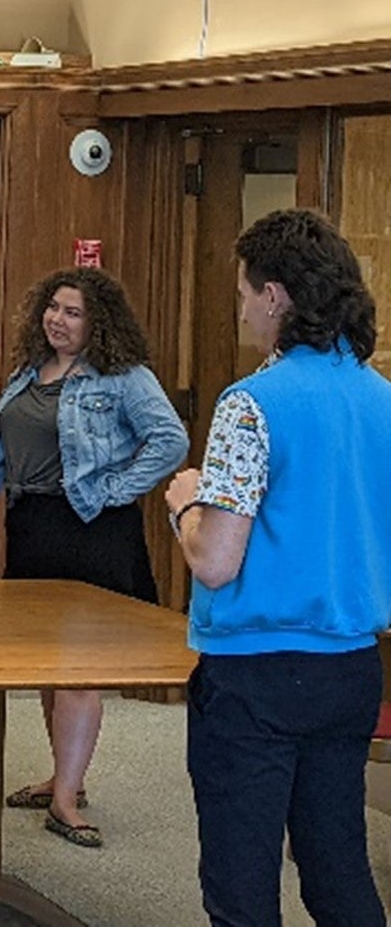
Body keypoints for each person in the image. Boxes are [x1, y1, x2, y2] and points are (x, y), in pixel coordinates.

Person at [165, 209, 391, 927]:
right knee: (337, 870)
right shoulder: (382, 399)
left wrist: (183, 504)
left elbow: (216, 561)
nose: (241, 309)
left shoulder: (249, 404)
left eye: (242, 293)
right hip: (352, 665)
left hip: (256, 671)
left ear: (276, 296)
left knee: (242, 884)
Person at [0, 266, 188, 849]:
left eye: (74, 312)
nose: (58, 320)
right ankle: (61, 776)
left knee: (79, 670)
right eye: (54, 308)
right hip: (34, 526)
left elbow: (170, 439)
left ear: (99, 323)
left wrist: (116, 488)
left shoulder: (123, 377)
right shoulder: (27, 374)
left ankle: (67, 801)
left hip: (90, 527)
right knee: (51, 665)